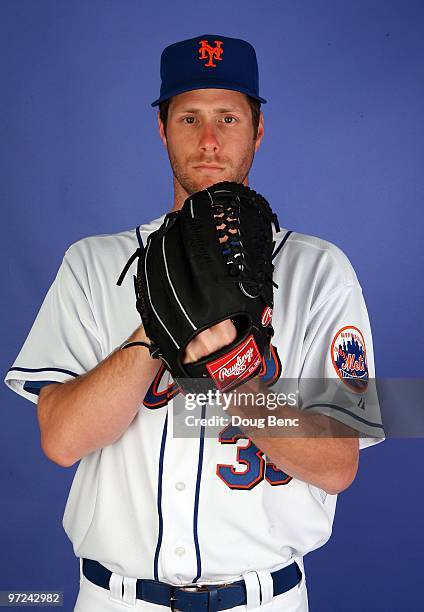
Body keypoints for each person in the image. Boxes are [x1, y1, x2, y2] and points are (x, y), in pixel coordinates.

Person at [4, 34, 384, 611]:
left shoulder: (319, 271)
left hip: (262, 600)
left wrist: (235, 377)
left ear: (258, 130)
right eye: (189, 118)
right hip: (117, 600)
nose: (209, 141)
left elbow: (337, 465)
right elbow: (60, 440)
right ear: (163, 129)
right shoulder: (93, 264)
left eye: (228, 118)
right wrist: (155, 328)